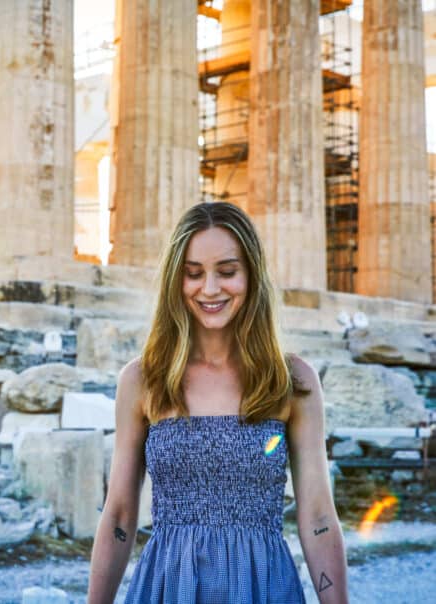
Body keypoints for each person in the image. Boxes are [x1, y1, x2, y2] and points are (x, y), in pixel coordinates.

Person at [87, 202, 349, 603]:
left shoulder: (292, 381)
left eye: (227, 272)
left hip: (263, 588)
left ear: (251, 275)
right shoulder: (143, 380)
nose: (210, 289)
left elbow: (317, 517)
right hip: (168, 587)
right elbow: (120, 514)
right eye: (193, 274)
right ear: (177, 280)